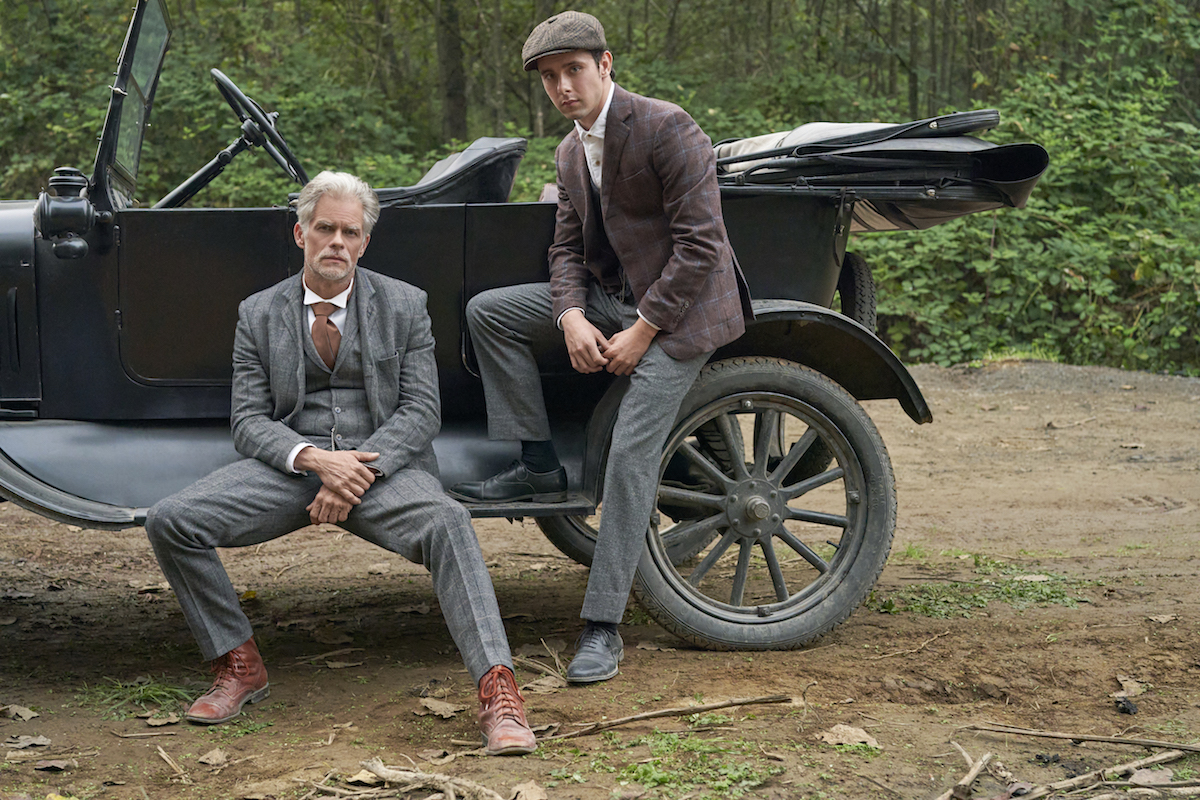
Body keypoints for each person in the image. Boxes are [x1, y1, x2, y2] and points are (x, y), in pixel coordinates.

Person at [145, 171, 536, 756]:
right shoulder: (257, 313)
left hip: (385, 469)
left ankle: (499, 694)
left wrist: (358, 472)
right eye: (324, 228)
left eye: (350, 232)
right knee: (171, 519)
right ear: (299, 233)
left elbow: (421, 410)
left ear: (365, 242)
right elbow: (248, 421)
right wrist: (314, 461)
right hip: (292, 470)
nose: (337, 243)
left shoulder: (406, 304)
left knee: (450, 523)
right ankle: (239, 663)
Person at [450, 12, 753, 684]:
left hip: (685, 314)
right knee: (489, 314)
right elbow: (564, 250)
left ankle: (602, 626)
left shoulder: (666, 127)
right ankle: (537, 464)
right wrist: (571, 318)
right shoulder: (567, 152)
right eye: (550, 77)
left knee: (628, 453)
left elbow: (703, 247)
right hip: (615, 300)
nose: (563, 86)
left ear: (606, 64)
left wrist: (643, 330)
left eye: (574, 70)